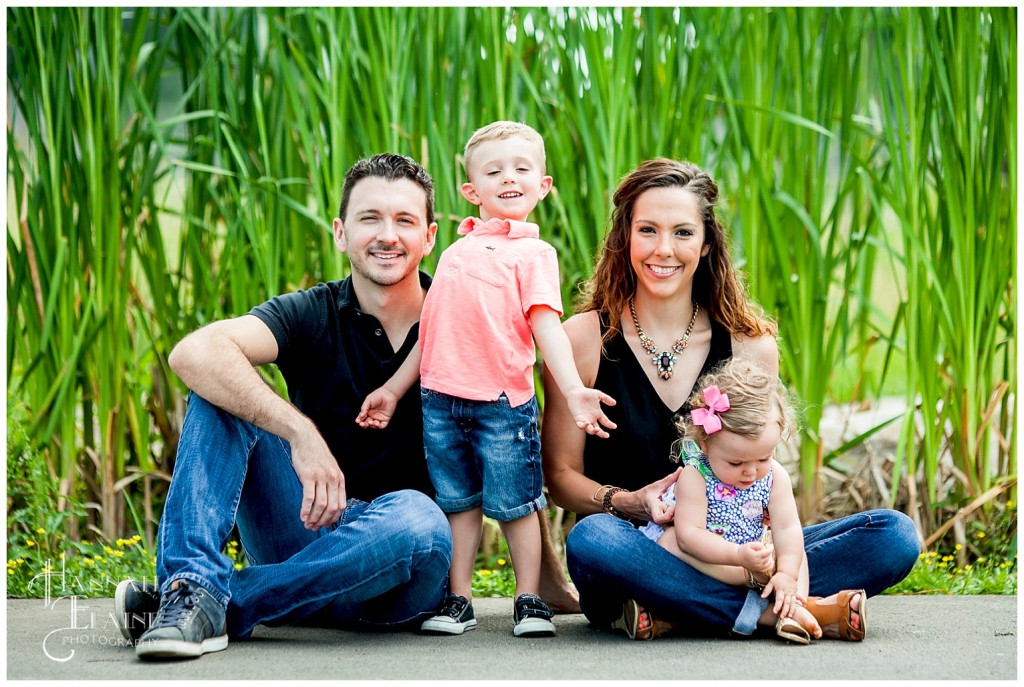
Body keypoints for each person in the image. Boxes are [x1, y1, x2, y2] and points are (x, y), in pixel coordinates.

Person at [112, 153, 575, 660]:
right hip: (302, 531)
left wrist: (545, 579)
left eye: (404, 221)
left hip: (401, 568)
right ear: (340, 232)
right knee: (218, 391)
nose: (387, 235)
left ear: (431, 237)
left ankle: (215, 600)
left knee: (419, 516)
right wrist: (299, 433)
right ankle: (192, 588)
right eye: (369, 219)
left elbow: (508, 440)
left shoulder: (468, 320)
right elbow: (193, 352)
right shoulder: (312, 311)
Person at [541, 158, 920, 641]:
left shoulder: (750, 346)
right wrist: (627, 502)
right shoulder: (581, 340)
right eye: (648, 230)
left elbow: (758, 475)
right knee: (591, 540)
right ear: (625, 238)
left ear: (706, 243)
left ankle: (679, 611)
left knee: (892, 536)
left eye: (682, 232)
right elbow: (560, 479)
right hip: (636, 552)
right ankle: (774, 611)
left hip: (736, 553)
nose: (663, 249)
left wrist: (772, 557)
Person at [358, 122, 616, 638]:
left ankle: (528, 598)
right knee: (458, 502)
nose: (509, 178)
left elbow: (546, 324)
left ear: (543, 186)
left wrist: (572, 390)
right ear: (472, 191)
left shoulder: (534, 255)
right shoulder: (453, 255)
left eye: (522, 169)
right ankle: (459, 600)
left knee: (518, 504)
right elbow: (429, 336)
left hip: (503, 402)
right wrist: (393, 389)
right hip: (440, 401)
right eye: (494, 171)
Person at [640, 357, 829, 644]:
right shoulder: (697, 476)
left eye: (764, 458)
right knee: (668, 543)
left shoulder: (774, 477)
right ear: (705, 443)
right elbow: (689, 536)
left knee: (795, 552)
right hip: (711, 560)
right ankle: (771, 607)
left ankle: (792, 601)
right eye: (736, 462)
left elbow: (787, 528)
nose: (751, 472)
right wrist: (739, 560)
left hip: (755, 555)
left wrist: (787, 572)